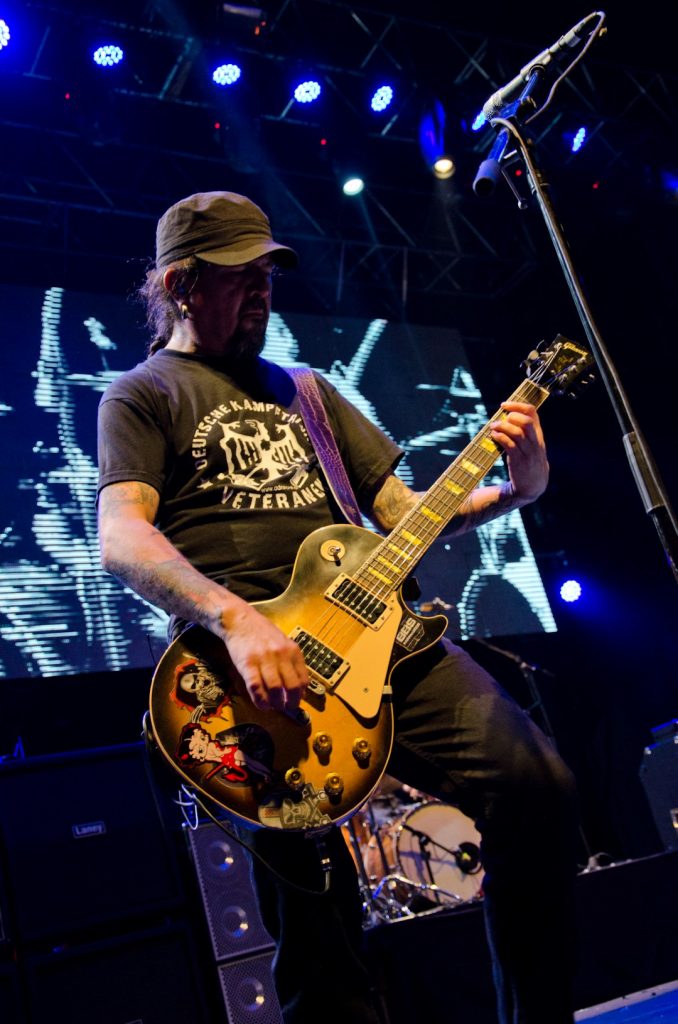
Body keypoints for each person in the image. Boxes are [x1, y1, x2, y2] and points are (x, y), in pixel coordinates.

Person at [96, 191, 579, 1024]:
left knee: (535, 786)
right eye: (239, 276)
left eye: (267, 275)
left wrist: (517, 491)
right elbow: (122, 537)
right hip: (246, 677)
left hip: (385, 637)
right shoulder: (142, 395)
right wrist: (238, 621)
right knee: (316, 916)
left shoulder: (309, 392)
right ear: (180, 284)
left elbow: (405, 514)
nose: (261, 291)